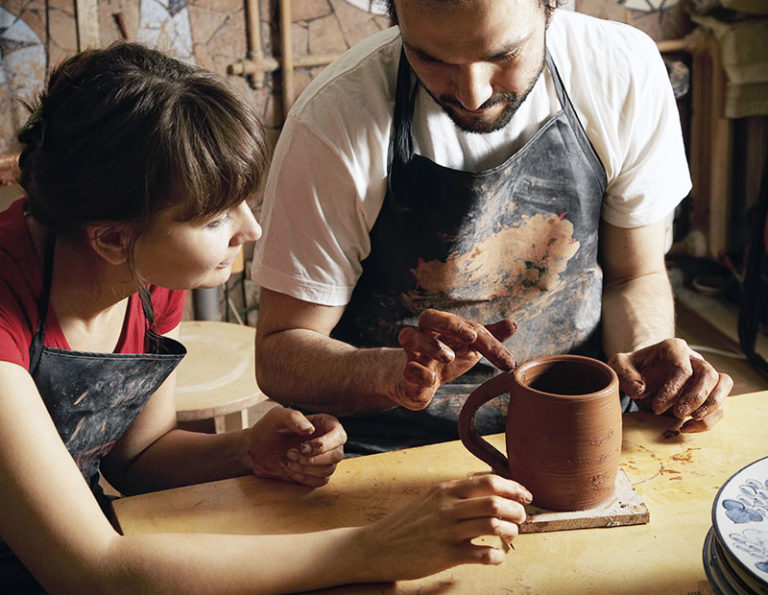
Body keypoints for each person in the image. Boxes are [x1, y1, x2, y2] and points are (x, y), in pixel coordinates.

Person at [0, 42, 533, 593]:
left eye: (244, 202)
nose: (250, 230)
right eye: (213, 219)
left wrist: (249, 450)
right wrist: (376, 545)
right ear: (111, 238)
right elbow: (91, 570)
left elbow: (138, 456)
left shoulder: (145, 272)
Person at [250, 0, 734, 455]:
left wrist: (645, 351)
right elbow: (280, 352)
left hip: (581, 419)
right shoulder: (334, 119)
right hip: (394, 443)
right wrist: (393, 373)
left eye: (504, 54)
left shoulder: (620, 71)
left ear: (550, 7)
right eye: (431, 58)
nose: (472, 93)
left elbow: (634, 274)